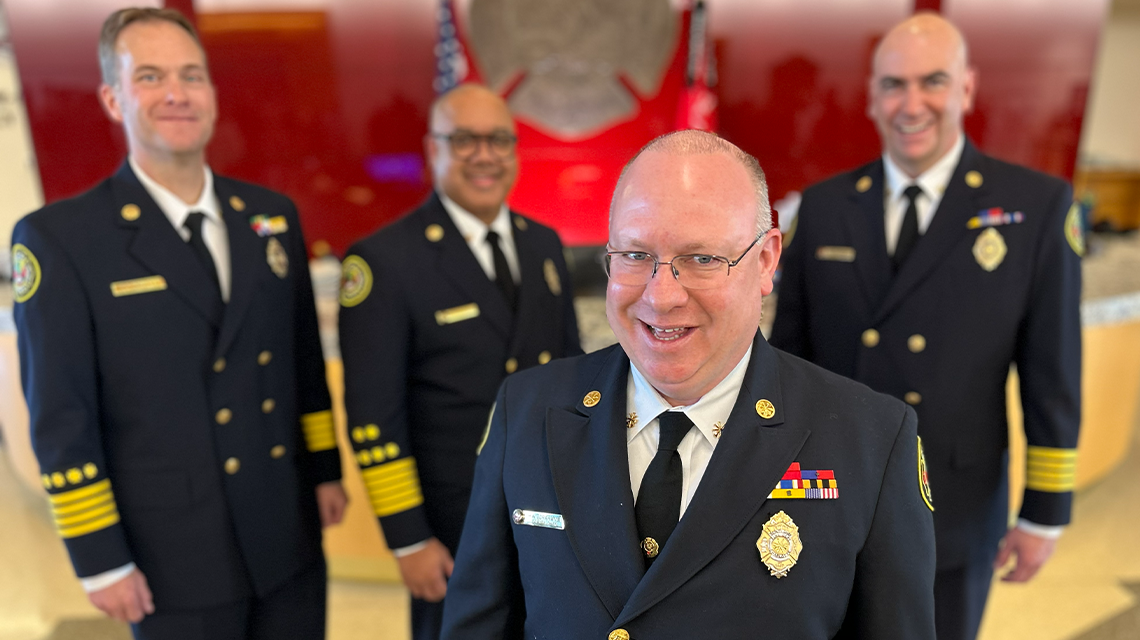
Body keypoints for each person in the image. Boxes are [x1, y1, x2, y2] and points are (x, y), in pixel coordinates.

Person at [439, 130, 936, 638]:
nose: (661, 296)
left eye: (701, 259)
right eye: (635, 255)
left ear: (765, 260)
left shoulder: (872, 441)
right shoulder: (527, 410)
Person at [10, 8, 347, 638]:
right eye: (151, 76)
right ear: (113, 98)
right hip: (169, 553)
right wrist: (99, 557)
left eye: (192, 75)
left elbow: (302, 364)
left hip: (286, 533)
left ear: (212, 96)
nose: (176, 93)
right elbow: (61, 416)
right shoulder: (61, 240)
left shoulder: (269, 217)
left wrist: (324, 471)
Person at [769, 13, 1081, 640]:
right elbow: (787, 366)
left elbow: (1052, 372)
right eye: (893, 85)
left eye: (932, 81)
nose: (911, 104)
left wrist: (1044, 513)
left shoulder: (1035, 208)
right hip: (828, 496)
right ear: (871, 98)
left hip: (957, 503)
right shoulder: (822, 208)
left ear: (966, 89)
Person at [337, 83, 582, 640]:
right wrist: (407, 537)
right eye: (464, 139)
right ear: (433, 150)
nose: (484, 154)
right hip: (451, 523)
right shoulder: (384, 261)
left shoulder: (543, 245)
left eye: (499, 139)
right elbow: (374, 416)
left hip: (545, 507)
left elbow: (570, 379)